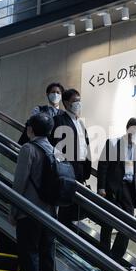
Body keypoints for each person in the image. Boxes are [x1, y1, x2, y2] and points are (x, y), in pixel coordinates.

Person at [10, 113, 57, 271]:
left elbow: (19, 182)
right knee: (47, 258)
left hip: (29, 213)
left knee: (29, 255)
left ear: (30, 129)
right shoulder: (55, 151)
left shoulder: (28, 149)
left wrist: (13, 211)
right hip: (50, 215)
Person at [97, 117, 136, 261]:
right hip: (113, 188)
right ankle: (103, 255)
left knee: (128, 226)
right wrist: (101, 187)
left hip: (129, 191)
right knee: (108, 223)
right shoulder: (113, 143)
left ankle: (116, 258)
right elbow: (103, 166)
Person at [49, 88, 91, 227]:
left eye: (80, 101)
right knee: (65, 203)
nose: (78, 104)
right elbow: (55, 146)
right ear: (66, 103)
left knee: (74, 205)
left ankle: (67, 232)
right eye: (75, 101)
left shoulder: (80, 123)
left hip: (80, 168)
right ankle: (61, 234)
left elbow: (85, 145)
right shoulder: (59, 120)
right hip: (66, 168)